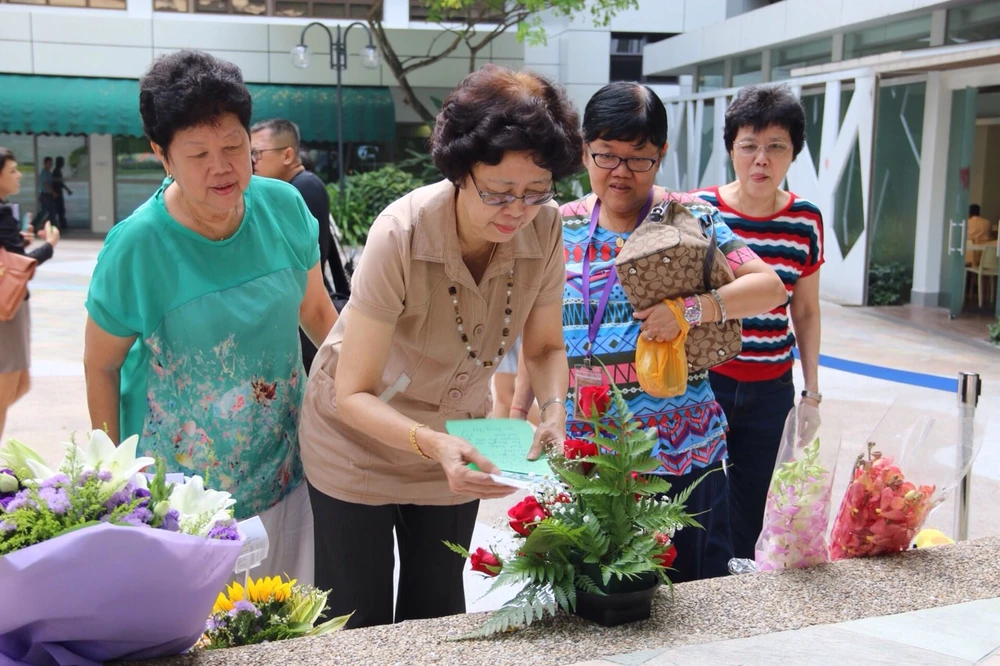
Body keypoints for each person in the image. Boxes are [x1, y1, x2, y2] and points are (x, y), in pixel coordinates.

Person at [298, 64, 580, 628]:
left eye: (535, 192)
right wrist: (432, 443)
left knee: (439, 614)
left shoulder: (545, 228)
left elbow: (546, 347)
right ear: (459, 171)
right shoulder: (400, 233)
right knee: (356, 623)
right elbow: (352, 393)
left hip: (456, 434)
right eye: (498, 193)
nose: (517, 211)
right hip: (356, 438)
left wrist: (553, 409)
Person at [515, 81, 787, 582]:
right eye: (606, 155)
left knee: (693, 594)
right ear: (584, 150)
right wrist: (517, 412)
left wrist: (690, 310)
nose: (620, 172)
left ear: (661, 154)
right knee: (596, 599)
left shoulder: (690, 218)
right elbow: (540, 332)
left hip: (682, 451)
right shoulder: (555, 225)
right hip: (588, 451)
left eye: (638, 158)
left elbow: (769, 287)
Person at [83, 50, 338, 583]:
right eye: (198, 153)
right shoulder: (137, 245)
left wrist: (360, 391)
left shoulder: (285, 207)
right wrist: (111, 479)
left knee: (285, 615)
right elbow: (101, 364)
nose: (221, 167)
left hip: (286, 472)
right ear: (162, 155)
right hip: (182, 499)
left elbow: (316, 310)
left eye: (234, 146)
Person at [692, 84, 825, 561]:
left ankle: (742, 587)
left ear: (794, 153)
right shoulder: (700, 211)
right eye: (749, 145)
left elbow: (805, 309)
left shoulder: (805, 220)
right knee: (699, 494)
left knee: (758, 500)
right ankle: (703, 584)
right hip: (706, 380)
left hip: (771, 387)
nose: (761, 159)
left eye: (776, 147)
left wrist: (811, 393)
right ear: (731, 149)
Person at [251, 118, 351, 373]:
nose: (252, 162)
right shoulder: (296, 187)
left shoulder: (303, 188)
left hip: (307, 315)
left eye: (257, 153)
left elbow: (304, 262)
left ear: (287, 155)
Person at [0, 147, 60, 439]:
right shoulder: (2, 213)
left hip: (11, 306)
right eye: (12, 170)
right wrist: (50, 244)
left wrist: (16, 242)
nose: (19, 175)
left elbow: (9, 256)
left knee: (19, 382)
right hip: (8, 309)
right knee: (9, 385)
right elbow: (21, 266)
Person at [52, 156, 73, 231]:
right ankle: (61, 225)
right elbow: (59, 183)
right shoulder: (56, 172)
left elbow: (60, 183)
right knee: (59, 210)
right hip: (57, 194)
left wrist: (68, 190)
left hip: (58, 193)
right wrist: (68, 190)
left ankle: (62, 224)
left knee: (60, 210)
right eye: (62, 162)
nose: (63, 163)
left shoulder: (58, 171)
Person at [37, 157, 55, 230]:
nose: (50, 165)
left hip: (48, 195)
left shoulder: (49, 173)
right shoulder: (44, 173)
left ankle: (52, 227)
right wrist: (53, 192)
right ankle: (34, 225)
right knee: (44, 212)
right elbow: (46, 184)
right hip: (45, 195)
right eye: (49, 163)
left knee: (51, 212)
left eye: (51, 163)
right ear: (45, 163)